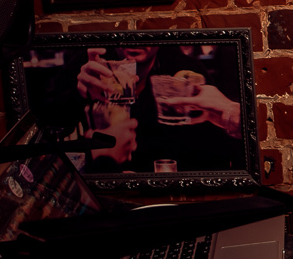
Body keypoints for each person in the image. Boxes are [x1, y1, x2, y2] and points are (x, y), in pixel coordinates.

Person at [71, 45, 245, 173]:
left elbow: (217, 152)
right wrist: (78, 95)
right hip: (100, 187)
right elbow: (56, 124)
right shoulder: (90, 64)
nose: (134, 40)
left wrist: (231, 117)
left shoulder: (185, 69)